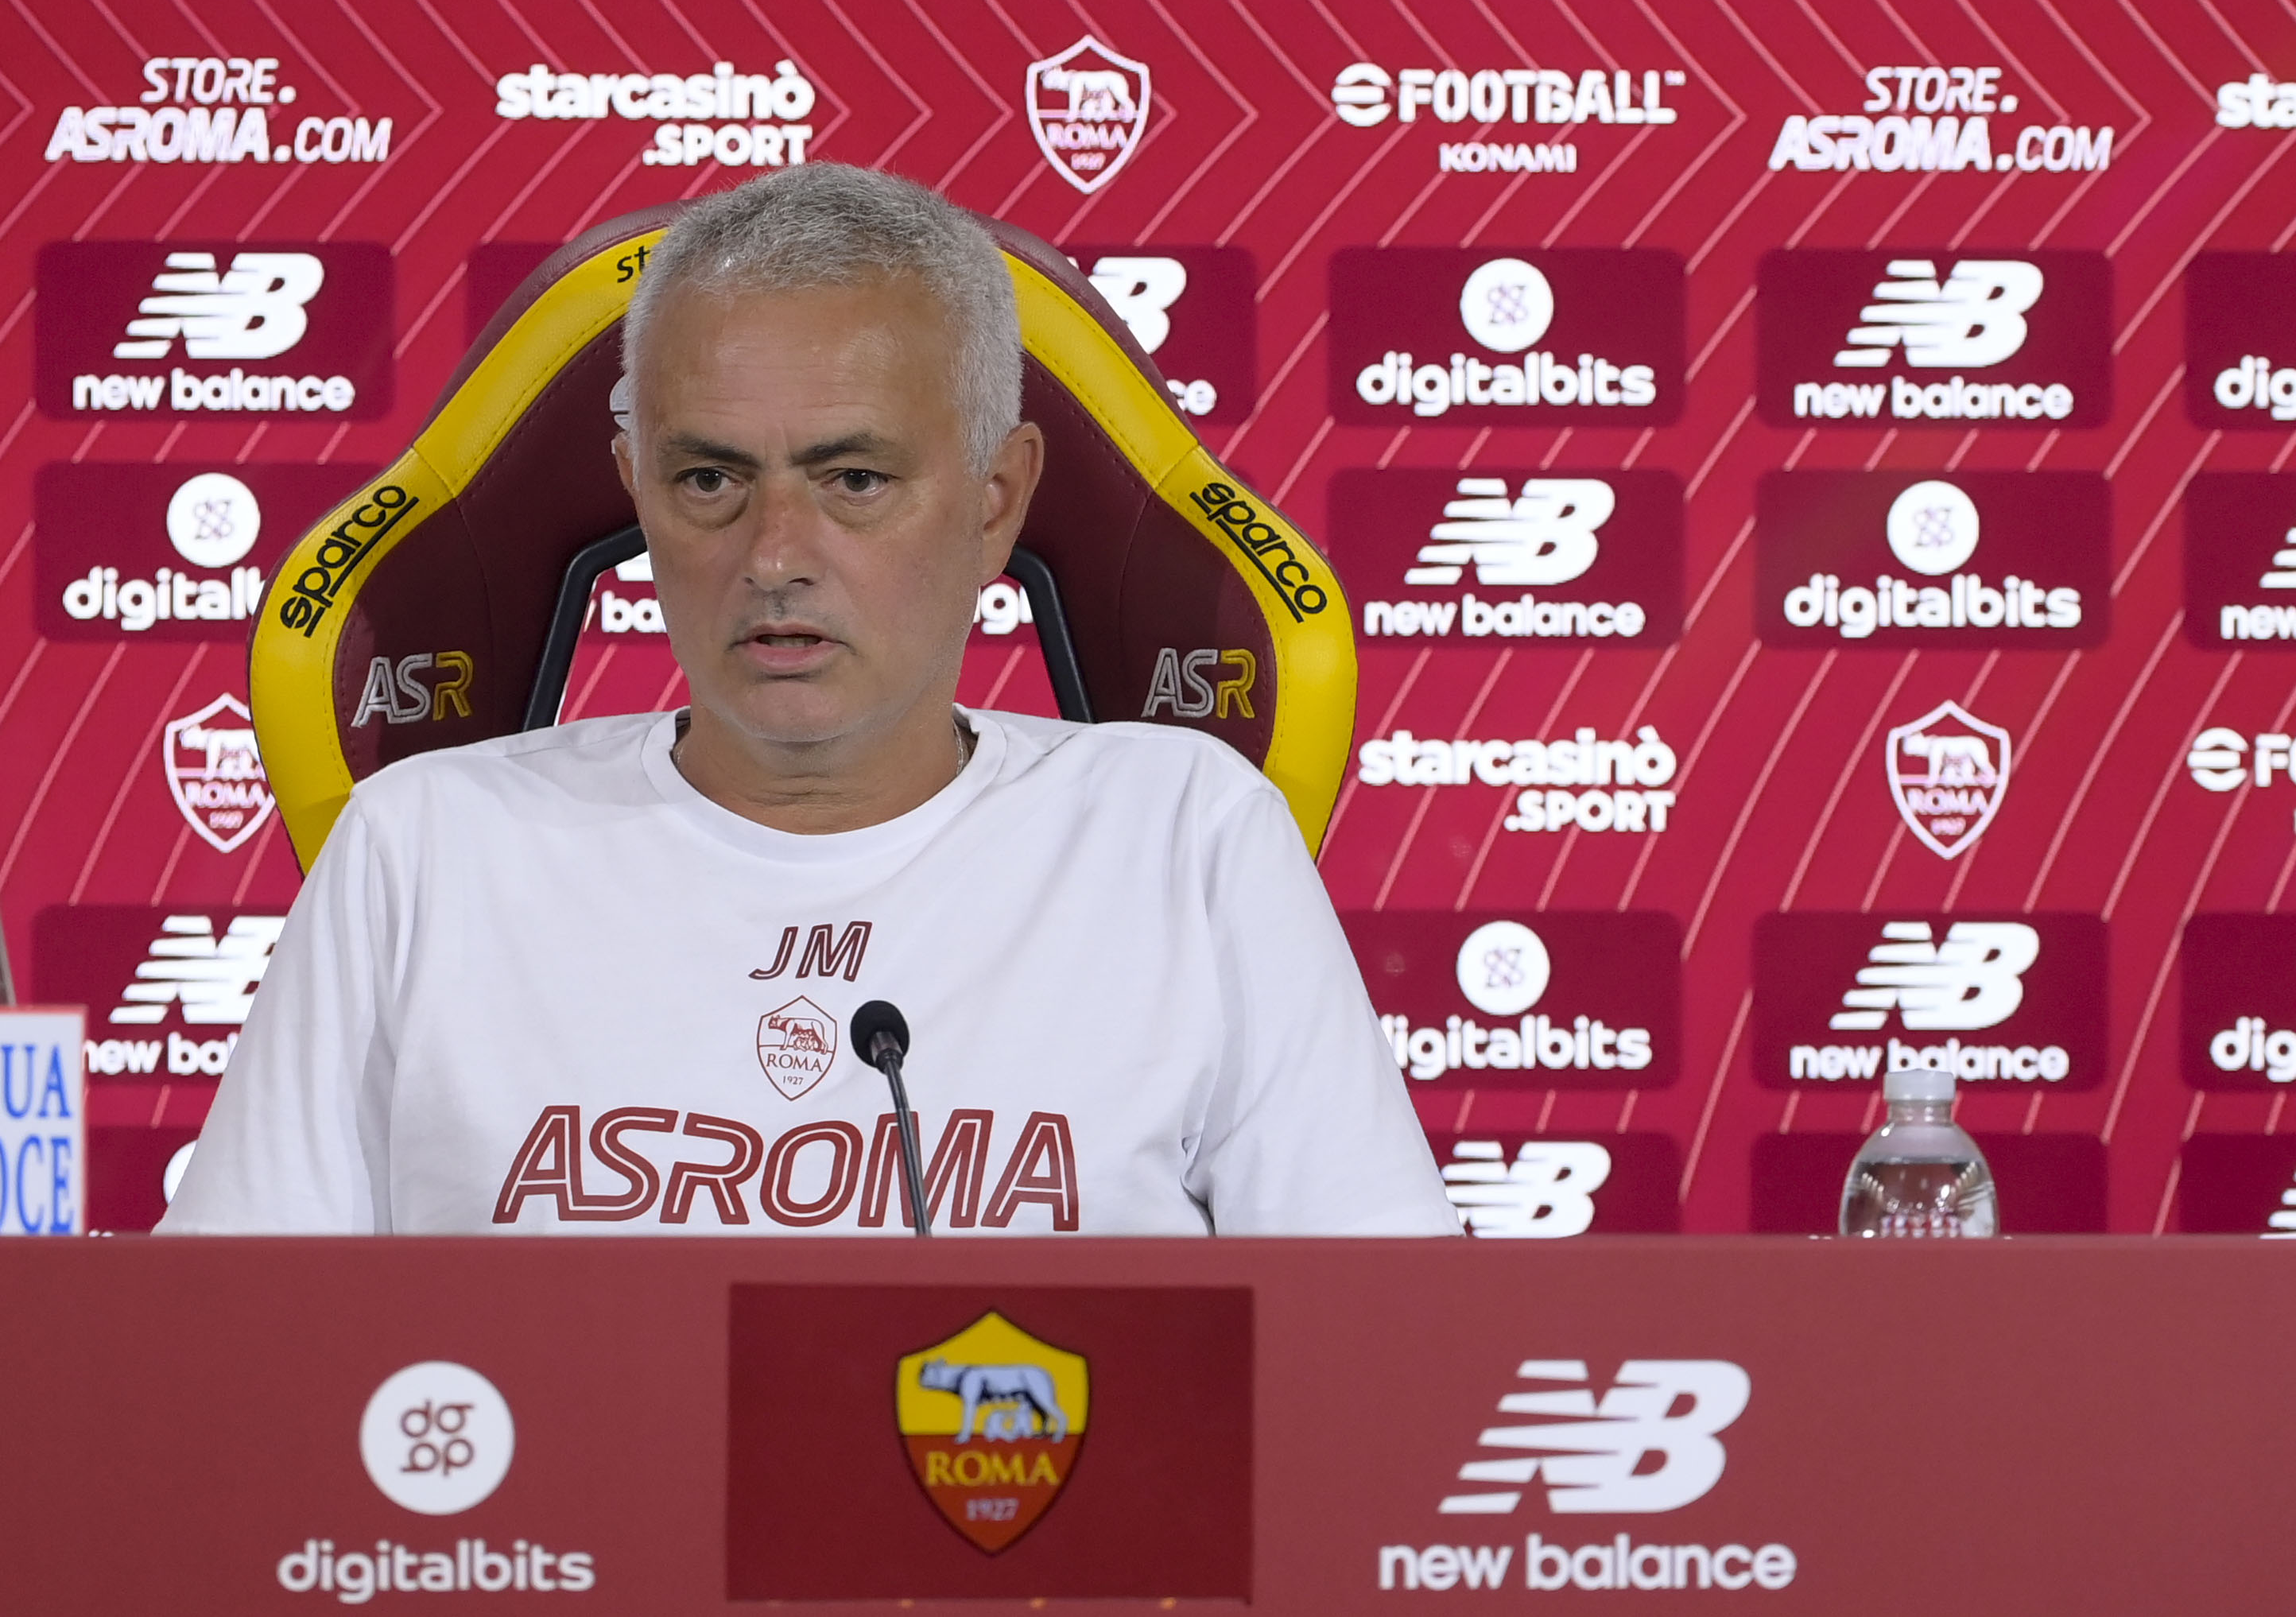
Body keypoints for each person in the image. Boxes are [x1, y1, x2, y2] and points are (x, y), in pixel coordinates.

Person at [161, 164, 1452, 1236]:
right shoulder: (420, 849)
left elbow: (1382, 1369)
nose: (774, 551)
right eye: (711, 479)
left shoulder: (1185, 836)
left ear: (996, 499)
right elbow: (226, 1382)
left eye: (853, 479)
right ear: (637, 489)